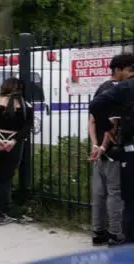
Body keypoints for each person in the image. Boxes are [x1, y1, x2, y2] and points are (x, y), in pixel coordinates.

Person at [89, 53, 134, 245]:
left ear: (121, 69)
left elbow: (96, 107)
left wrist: (106, 131)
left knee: (128, 201)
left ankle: (124, 242)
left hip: (129, 150)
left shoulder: (126, 87)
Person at [0, 78, 34, 225]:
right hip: (13, 146)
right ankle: (3, 212)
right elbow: (27, 127)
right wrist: (13, 139)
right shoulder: (26, 107)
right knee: (6, 179)